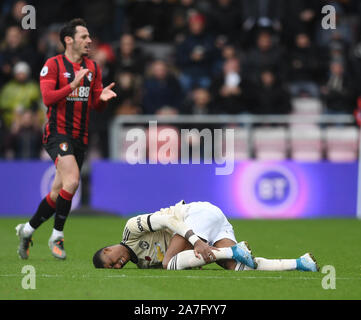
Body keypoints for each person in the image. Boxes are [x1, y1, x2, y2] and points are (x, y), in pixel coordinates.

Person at [15, 18, 117, 260]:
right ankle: (57, 236)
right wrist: (73, 83)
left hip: (80, 136)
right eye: (84, 37)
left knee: (57, 192)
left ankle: (27, 231)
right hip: (57, 133)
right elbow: (48, 98)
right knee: (72, 182)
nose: (89, 41)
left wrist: (101, 99)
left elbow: (93, 104)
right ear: (68, 40)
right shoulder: (52, 65)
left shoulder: (93, 67)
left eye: (89, 37)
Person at [92, 200, 319, 272]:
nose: (119, 265)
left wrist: (196, 241)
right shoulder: (141, 263)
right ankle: (301, 263)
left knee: (168, 263)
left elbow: (169, 221)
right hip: (211, 226)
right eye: (116, 268)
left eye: (112, 262)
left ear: (107, 250)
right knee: (240, 267)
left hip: (196, 215)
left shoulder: (131, 228)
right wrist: (195, 257)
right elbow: (186, 259)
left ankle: (231, 250)